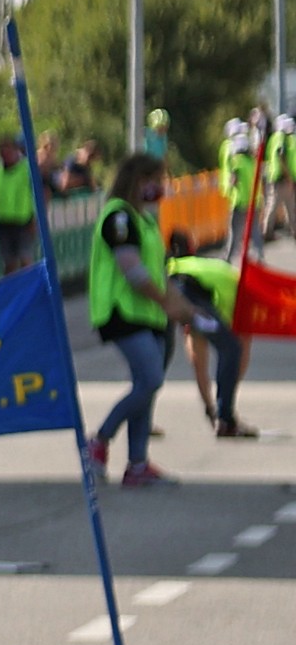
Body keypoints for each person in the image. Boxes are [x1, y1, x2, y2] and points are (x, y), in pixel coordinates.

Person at [85, 153, 201, 488]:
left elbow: (159, 273)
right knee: (150, 379)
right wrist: (167, 303)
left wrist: (186, 309)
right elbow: (133, 272)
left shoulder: (145, 220)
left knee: (145, 387)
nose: (160, 187)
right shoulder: (119, 217)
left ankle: (137, 464)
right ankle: (98, 441)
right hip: (122, 312)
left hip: (150, 315)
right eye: (155, 180)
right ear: (139, 180)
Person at [164, 231, 256, 438]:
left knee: (171, 358)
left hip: (171, 291)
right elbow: (241, 332)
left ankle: (211, 410)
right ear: (193, 247)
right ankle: (225, 419)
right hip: (193, 297)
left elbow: (196, 357)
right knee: (232, 349)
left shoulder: (175, 265)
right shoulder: (219, 270)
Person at [0, 136, 40, 274]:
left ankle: (29, 286)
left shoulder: (27, 168)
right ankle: (12, 287)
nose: (5, 154)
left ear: (16, 150)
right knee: (9, 264)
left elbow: (42, 192)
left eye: (8, 150)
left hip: (24, 221)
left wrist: (36, 218)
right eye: (2, 151)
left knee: (25, 260)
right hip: (4, 223)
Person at [221, 118, 258, 253]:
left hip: (238, 199)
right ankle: (257, 256)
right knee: (254, 231)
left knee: (235, 230)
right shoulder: (251, 162)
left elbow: (233, 178)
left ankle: (229, 256)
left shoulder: (236, 160)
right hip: (252, 199)